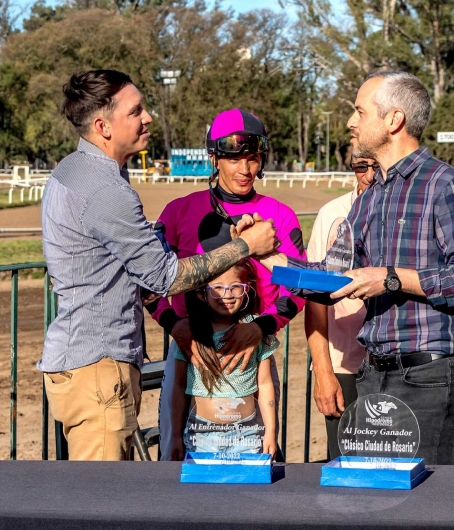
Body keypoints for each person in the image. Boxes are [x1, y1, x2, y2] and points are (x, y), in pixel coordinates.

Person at [38, 70, 277, 461]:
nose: (148, 117)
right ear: (103, 126)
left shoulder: (72, 168)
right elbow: (166, 276)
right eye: (136, 111)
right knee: (105, 502)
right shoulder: (106, 189)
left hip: (82, 359)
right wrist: (243, 247)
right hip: (98, 367)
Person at [257, 70, 454, 465]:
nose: (351, 121)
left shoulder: (447, 185)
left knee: (419, 508)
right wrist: (272, 261)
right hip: (373, 376)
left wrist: (391, 278)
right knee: (373, 503)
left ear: (394, 120)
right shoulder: (371, 196)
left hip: (430, 379)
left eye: (359, 111)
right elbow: (334, 277)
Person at [149, 108, 306, 459]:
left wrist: (262, 328)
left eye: (253, 159)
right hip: (189, 358)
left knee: (259, 468)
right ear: (214, 159)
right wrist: (176, 327)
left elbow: (297, 288)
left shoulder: (280, 215)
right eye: (234, 159)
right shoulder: (177, 212)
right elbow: (148, 284)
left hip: (254, 360)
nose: (246, 170)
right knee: (177, 467)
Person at [305, 156, 375, 459]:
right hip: (343, 365)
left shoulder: (407, 212)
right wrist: (323, 371)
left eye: (377, 166)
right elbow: (313, 297)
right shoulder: (331, 214)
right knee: (345, 466)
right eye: (361, 166)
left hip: (398, 367)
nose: (369, 175)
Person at [170, 260, 278, 460]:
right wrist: (175, 435)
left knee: (246, 491)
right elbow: (178, 387)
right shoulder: (188, 335)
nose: (227, 295)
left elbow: (265, 384)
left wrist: (270, 433)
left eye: (235, 287)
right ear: (202, 293)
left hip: (247, 436)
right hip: (200, 436)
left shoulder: (255, 333)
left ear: (247, 289)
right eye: (218, 288)